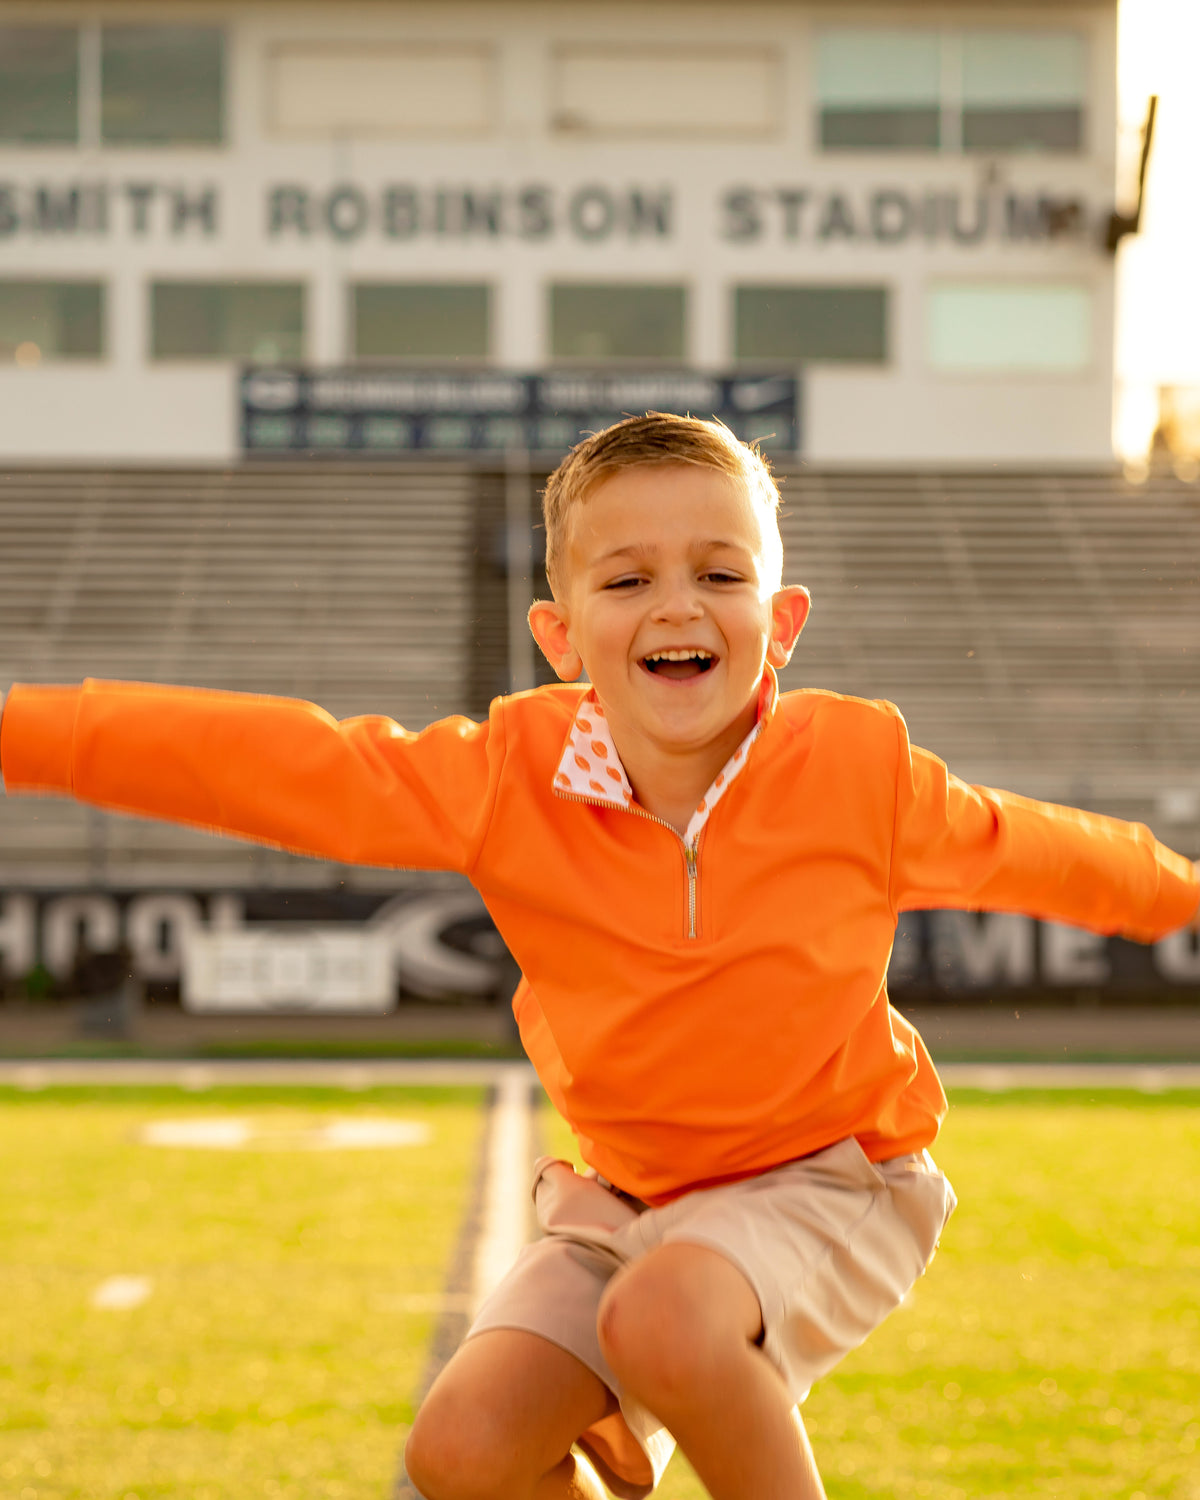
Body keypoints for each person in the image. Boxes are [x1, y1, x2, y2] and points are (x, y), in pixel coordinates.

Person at [1, 414, 1196, 1500]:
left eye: (719, 574)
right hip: (628, 1202)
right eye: (628, 579)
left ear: (781, 621)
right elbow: (282, 764)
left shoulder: (859, 772)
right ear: (561, 636)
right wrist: (25, 731)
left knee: (665, 1320)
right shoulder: (503, 779)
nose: (677, 607)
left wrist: (1184, 892)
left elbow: (1040, 850)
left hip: (833, 1177)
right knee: (464, 1450)